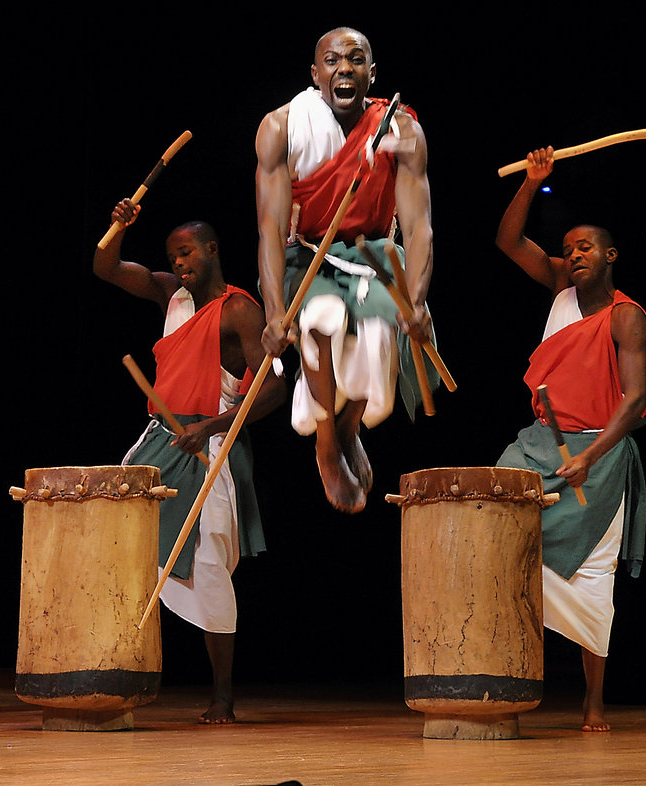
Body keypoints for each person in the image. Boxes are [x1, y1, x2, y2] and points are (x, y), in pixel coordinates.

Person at [93, 199, 286, 723]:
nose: (179, 263)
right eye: (172, 256)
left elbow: (273, 386)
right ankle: (113, 672)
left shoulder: (240, 310)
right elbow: (104, 267)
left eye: (187, 253)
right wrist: (119, 226)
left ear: (212, 250)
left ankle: (222, 694)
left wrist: (213, 426)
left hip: (209, 445)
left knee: (206, 566)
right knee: (118, 542)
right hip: (160, 438)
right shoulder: (168, 295)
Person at [494, 146, 646, 732]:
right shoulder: (561, 291)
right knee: (496, 524)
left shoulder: (625, 315)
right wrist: (532, 182)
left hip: (601, 451)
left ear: (610, 255)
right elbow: (510, 242)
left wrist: (591, 454)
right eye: (567, 249)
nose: (573, 255)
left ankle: (593, 702)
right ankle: (502, 678)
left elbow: (634, 401)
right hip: (540, 441)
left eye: (585, 247)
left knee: (592, 575)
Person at [255, 26, 438, 514]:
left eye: (356, 60)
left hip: (371, 255)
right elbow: (270, 230)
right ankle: (325, 442)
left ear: (371, 73)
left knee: (383, 323)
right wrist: (275, 315)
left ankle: (349, 426)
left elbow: (418, 226)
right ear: (316, 74)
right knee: (321, 319)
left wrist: (416, 303)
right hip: (305, 254)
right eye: (332, 61)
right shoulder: (281, 127)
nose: (344, 69)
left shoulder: (399, 130)